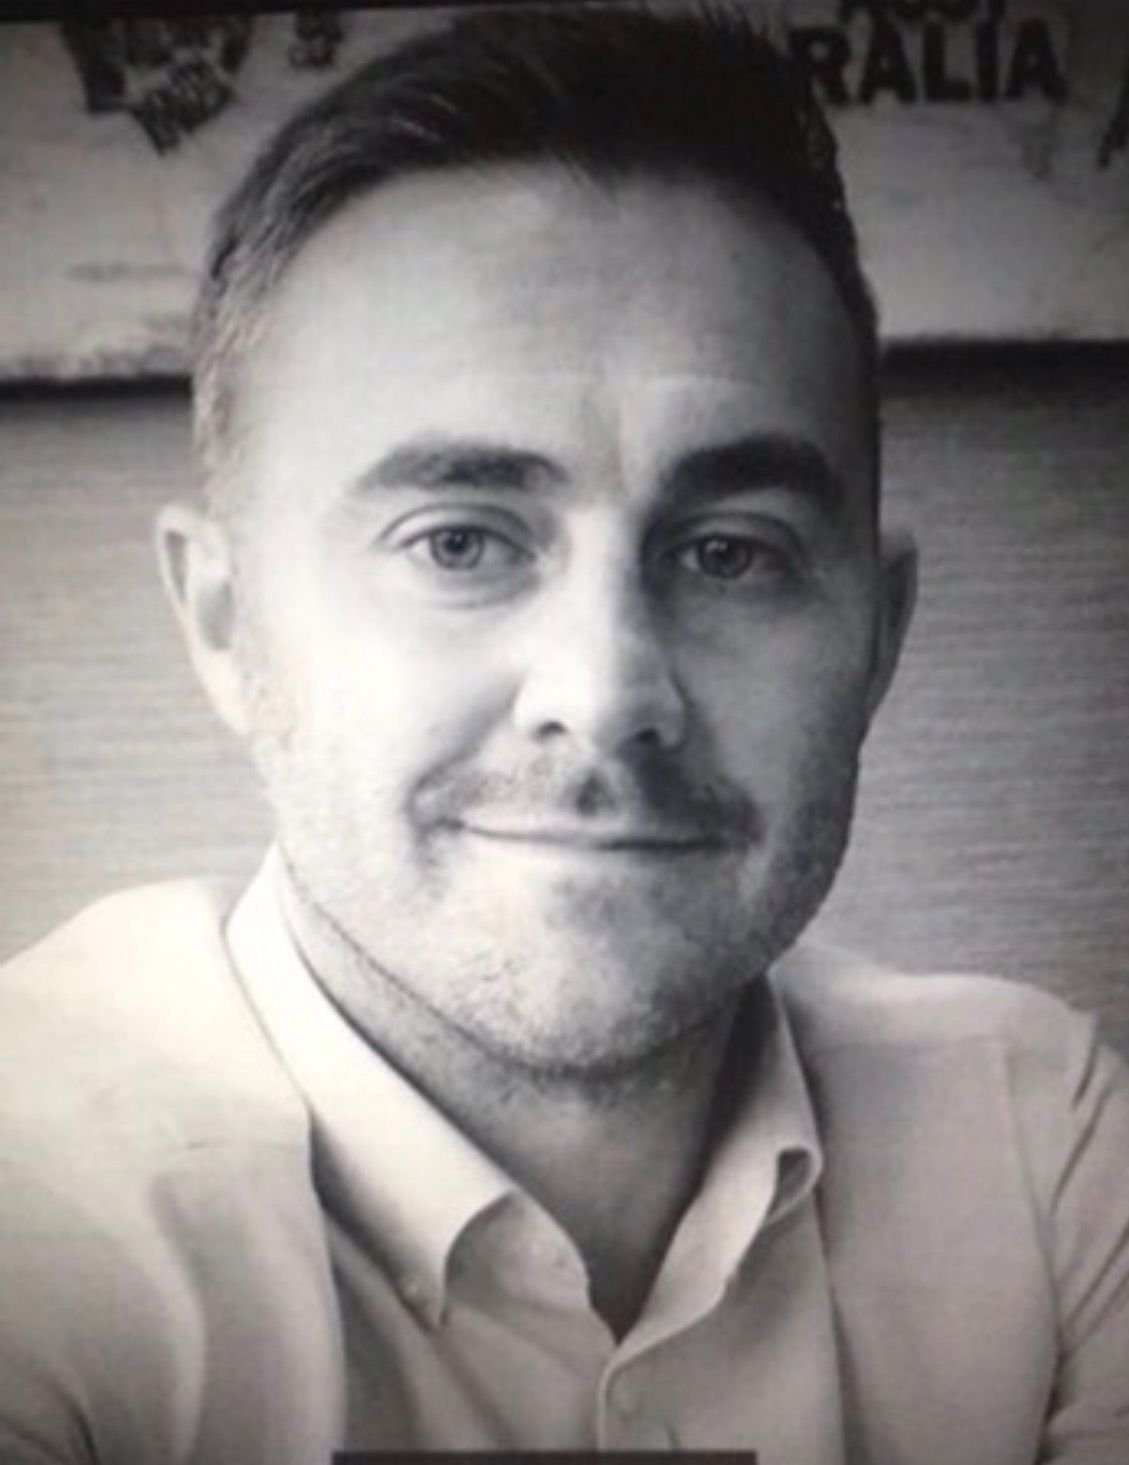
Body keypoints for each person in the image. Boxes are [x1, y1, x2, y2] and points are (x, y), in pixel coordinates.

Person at [2, 7, 1127, 1463]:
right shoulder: (34, 1223)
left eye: (730, 550)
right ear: (224, 622)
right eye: (460, 541)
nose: (605, 691)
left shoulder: (1041, 1148)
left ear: (877, 635)